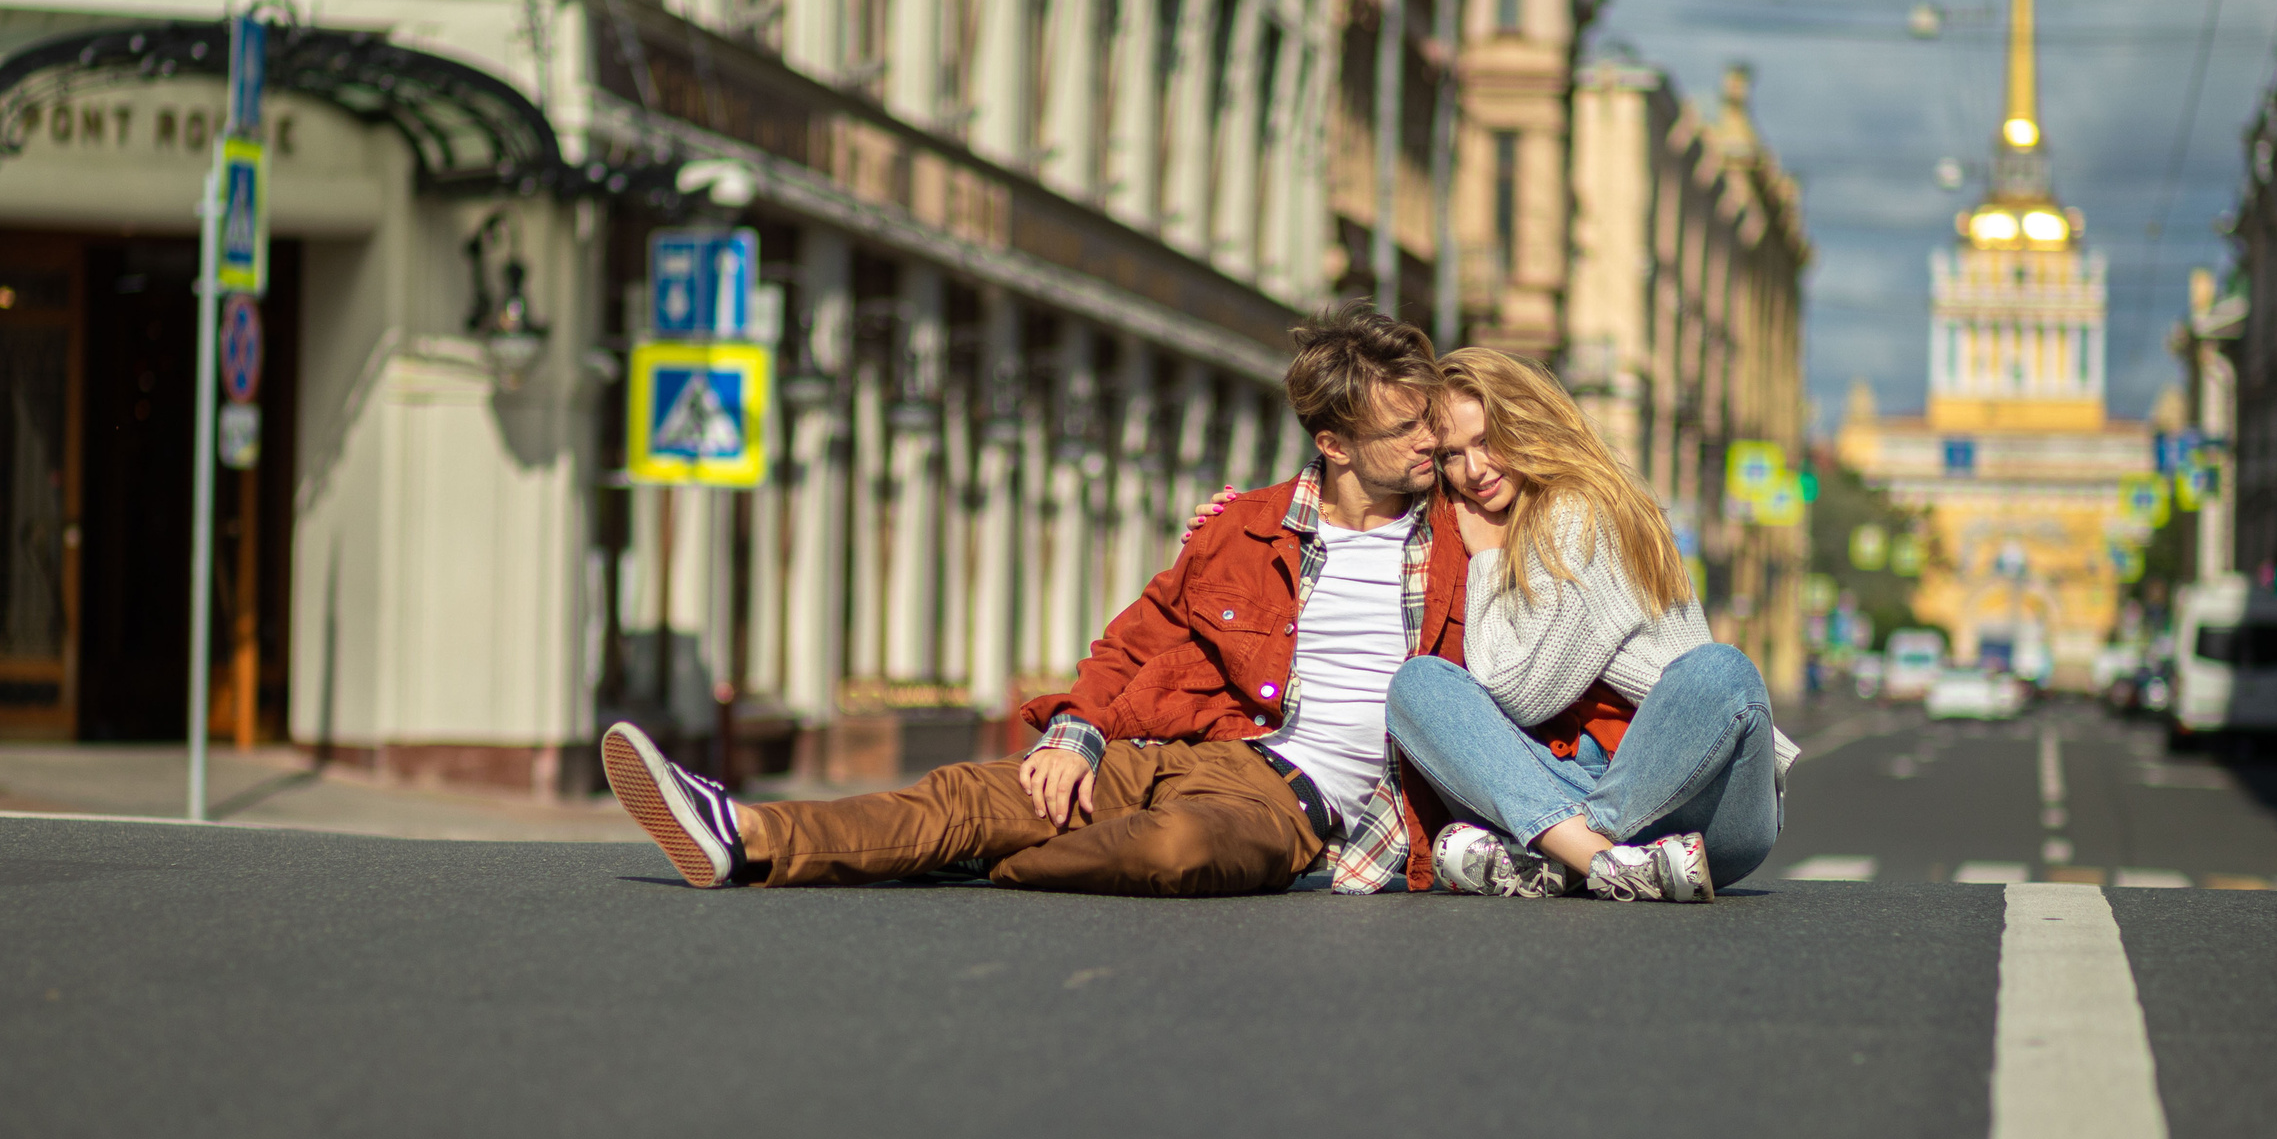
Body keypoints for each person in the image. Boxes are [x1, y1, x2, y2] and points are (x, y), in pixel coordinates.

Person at [600, 304, 1470, 895]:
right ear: (1336, 444)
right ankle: (742, 831)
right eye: (1407, 430)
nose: (1433, 441)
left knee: (1174, 850)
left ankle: (984, 858)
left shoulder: (1467, 539)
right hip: (1195, 750)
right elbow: (1136, 643)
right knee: (971, 792)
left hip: (1292, 807)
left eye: (1430, 420)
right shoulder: (1245, 526)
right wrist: (1078, 733)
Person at [1383, 346, 1797, 901]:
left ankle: (1572, 856)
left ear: (1529, 422)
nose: (1473, 470)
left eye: (1486, 440)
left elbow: (1521, 694)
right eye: (1452, 455)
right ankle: (1608, 865)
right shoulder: (1504, 515)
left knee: (1722, 672)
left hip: (1699, 805)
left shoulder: (1578, 509)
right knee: (1418, 687)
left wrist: (1484, 562)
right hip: (1580, 795)